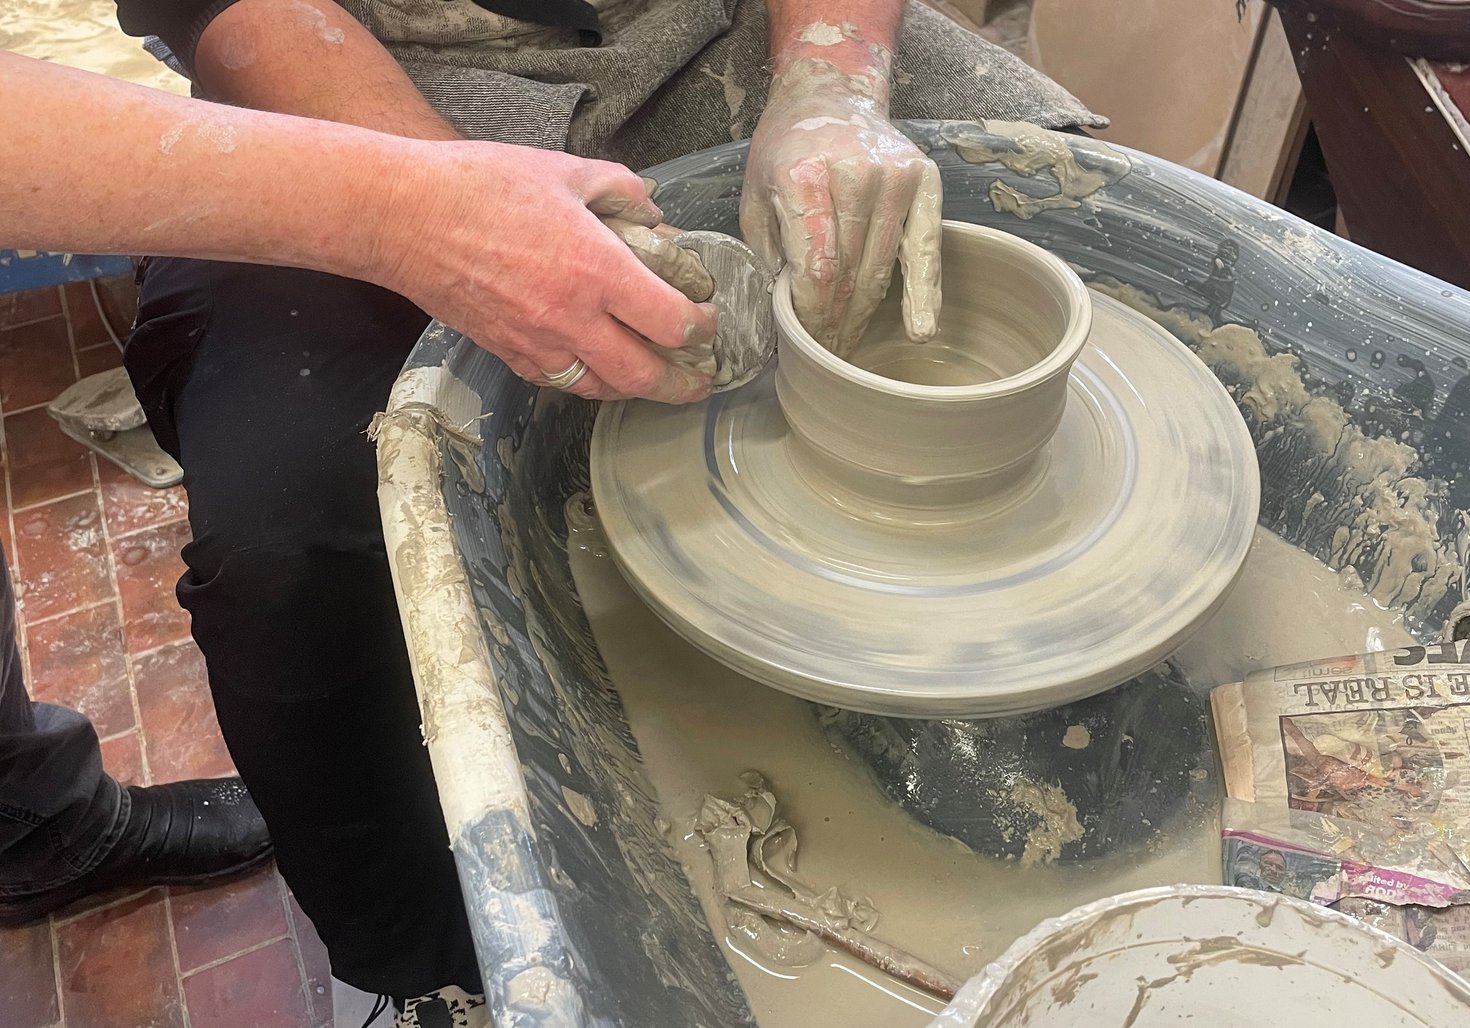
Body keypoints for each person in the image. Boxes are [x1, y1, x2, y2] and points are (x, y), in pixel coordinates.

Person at [98, 0, 1099, 1022]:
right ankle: (458, 963)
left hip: (724, 31)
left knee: (1065, 212)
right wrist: (438, 210)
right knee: (297, 539)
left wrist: (832, 79)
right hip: (364, 80)